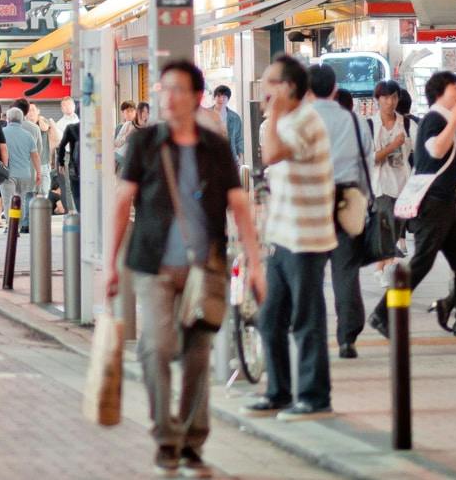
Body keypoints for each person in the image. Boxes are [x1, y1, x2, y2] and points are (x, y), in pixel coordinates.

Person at [106, 60, 266, 477]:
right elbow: (123, 202)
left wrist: (255, 263)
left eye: (178, 89)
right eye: (164, 89)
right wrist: (110, 265)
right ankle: (165, 436)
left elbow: (239, 204)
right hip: (153, 265)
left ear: (196, 98)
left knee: (198, 354)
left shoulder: (214, 147)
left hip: (206, 265)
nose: (169, 97)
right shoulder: (146, 144)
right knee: (156, 347)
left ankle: (192, 442)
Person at [253, 54, 337, 419]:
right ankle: (279, 391)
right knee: (270, 318)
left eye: (270, 82)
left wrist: (273, 112)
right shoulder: (286, 120)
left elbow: (270, 154)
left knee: (306, 318)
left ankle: (315, 396)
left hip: (307, 238)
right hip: (282, 236)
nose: (263, 89)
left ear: (288, 88)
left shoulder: (305, 120)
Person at [375, 70, 456, 340]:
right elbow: (436, 150)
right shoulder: (435, 120)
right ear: (440, 93)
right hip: (432, 205)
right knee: (422, 262)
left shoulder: (444, 119)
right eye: (455, 88)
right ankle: (382, 314)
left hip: (446, 204)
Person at [308, 63, 373, 361]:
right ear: (334, 88)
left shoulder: (302, 120)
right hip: (347, 197)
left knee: (310, 273)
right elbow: (366, 162)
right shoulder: (354, 120)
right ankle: (347, 338)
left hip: (311, 201)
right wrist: (366, 200)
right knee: (345, 272)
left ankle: (313, 335)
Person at [211, 85, 245, 162]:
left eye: (224, 97)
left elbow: (239, 138)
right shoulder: (205, 114)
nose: (221, 99)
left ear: (228, 99)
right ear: (214, 97)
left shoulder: (235, 117)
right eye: (218, 96)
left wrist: (240, 157)